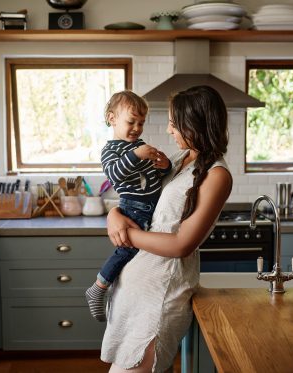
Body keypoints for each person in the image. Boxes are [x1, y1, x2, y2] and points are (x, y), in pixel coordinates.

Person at [100, 85, 233, 373]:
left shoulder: (217, 175)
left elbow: (182, 244)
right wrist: (114, 213)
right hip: (132, 290)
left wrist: (126, 233)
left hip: (159, 297)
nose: (169, 130)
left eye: (174, 123)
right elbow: (139, 197)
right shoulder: (177, 160)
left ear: (194, 124)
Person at [85, 90, 172, 322]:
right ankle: (99, 286)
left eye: (141, 123)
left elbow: (158, 174)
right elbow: (115, 174)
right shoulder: (110, 151)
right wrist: (136, 155)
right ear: (112, 119)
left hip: (151, 205)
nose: (136, 128)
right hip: (134, 206)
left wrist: (164, 165)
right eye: (131, 121)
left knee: (142, 257)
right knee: (127, 249)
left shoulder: (140, 145)